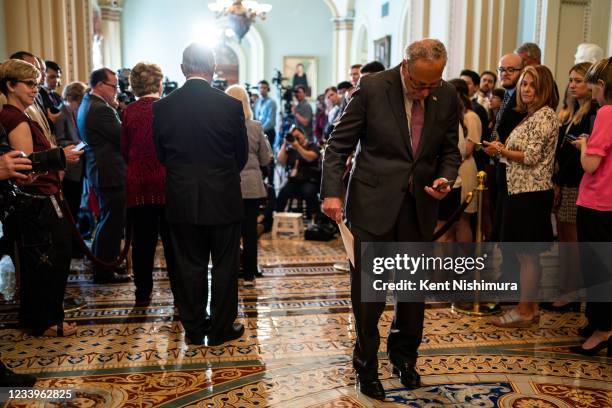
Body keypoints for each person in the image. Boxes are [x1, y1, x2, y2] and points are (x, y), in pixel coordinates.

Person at [321, 39, 460, 400]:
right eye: (419, 84)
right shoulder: (372, 87)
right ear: (405, 66)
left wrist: (446, 177)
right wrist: (332, 192)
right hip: (371, 205)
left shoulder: (445, 96)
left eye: (434, 83)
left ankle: (404, 357)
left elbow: (449, 149)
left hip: (419, 207)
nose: (427, 91)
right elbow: (338, 146)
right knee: (370, 296)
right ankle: (365, 364)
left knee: (412, 295)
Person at [153, 43, 248, 346]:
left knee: (188, 265)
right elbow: (241, 155)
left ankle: (194, 329)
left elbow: (161, 155)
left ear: (182, 69)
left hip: (181, 196)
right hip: (223, 196)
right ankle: (221, 328)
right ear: (213, 68)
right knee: (224, 265)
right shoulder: (230, 106)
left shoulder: (163, 106)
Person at [0, 59, 81, 337]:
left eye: (37, 83)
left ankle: (39, 317)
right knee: (48, 260)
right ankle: (45, 321)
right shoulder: (15, 117)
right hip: (36, 201)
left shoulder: (19, 114)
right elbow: (26, 171)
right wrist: (60, 158)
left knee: (44, 260)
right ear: (10, 85)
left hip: (40, 197)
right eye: (29, 84)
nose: (36, 89)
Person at [484, 65, 559, 327]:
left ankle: (524, 310)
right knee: (524, 253)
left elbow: (531, 156)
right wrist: (501, 148)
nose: (526, 89)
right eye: (524, 84)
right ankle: (531, 306)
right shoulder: (530, 115)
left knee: (527, 254)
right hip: (519, 189)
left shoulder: (545, 116)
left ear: (544, 89)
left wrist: (500, 152)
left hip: (530, 192)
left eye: (532, 85)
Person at [121, 62, 176, 305]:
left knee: (143, 244)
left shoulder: (128, 112)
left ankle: (142, 294)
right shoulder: (170, 108)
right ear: (160, 83)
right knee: (174, 243)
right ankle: (179, 294)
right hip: (168, 184)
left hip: (139, 186)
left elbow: (124, 149)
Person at [570, 57, 612, 356]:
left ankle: (602, 329)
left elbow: (590, 164)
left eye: (593, 83)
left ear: (602, 85)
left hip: (598, 200)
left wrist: (583, 145)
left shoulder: (606, 113)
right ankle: (599, 322)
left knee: (597, 270)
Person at [549, 62, 597, 311]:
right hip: (564, 180)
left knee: (572, 241)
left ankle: (572, 293)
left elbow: (575, 156)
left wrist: (558, 182)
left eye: (578, 80)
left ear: (591, 85)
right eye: (571, 80)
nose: (572, 85)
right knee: (565, 240)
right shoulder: (569, 112)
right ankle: (565, 288)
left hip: (576, 182)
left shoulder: (592, 113)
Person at [77, 68, 130, 284]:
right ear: (99, 85)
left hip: (101, 171)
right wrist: (120, 111)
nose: (116, 90)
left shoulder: (89, 103)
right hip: (109, 173)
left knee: (107, 222)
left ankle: (105, 266)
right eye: (113, 86)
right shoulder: (100, 109)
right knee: (111, 224)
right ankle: (104, 271)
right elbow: (122, 137)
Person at [225, 85, 272, 286]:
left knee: (230, 232)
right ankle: (249, 274)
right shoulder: (255, 126)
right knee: (250, 231)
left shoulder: (221, 125)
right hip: (252, 186)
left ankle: (232, 269)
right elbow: (264, 160)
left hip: (228, 184)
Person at [55, 81, 88, 258]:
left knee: (75, 207)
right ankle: (70, 246)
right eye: (79, 102)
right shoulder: (62, 113)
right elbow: (59, 140)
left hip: (78, 166)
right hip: (68, 168)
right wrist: (79, 145)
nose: (80, 106)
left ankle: (75, 243)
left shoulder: (73, 113)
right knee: (70, 208)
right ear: (71, 99)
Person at [276, 126, 321, 219]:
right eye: (294, 136)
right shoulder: (291, 149)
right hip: (293, 181)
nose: (296, 138)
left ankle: (314, 218)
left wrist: (298, 146)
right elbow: (280, 161)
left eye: (298, 136)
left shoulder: (311, 145)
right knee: (282, 192)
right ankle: (277, 216)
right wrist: (285, 143)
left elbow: (310, 157)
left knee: (309, 192)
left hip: (308, 180)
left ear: (303, 135)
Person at [253, 80, 277, 148]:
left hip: (268, 132)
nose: (262, 89)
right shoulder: (257, 101)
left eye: (264, 88)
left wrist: (260, 130)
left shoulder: (272, 102)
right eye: (260, 87)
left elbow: (271, 121)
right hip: (259, 132)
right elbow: (255, 117)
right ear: (258, 89)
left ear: (268, 89)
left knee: (268, 156)